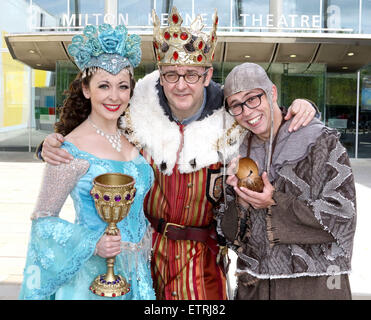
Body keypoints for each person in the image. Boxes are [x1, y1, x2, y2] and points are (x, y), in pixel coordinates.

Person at [38, 7, 317, 300]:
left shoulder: (233, 119)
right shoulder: (136, 112)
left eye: (192, 75)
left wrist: (302, 106)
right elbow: (94, 118)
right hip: (143, 258)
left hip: (203, 263)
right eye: (171, 75)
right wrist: (52, 142)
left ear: (207, 75)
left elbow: (266, 119)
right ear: (161, 75)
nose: (181, 85)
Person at [19, 23, 155, 300]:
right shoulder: (70, 149)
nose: (114, 96)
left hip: (138, 277)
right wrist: (94, 244)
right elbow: (43, 221)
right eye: (104, 85)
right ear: (86, 89)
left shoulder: (134, 138)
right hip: (93, 282)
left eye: (123, 86)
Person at [216, 62, 357, 300]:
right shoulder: (237, 153)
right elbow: (226, 231)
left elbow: (343, 216)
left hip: (315, 287)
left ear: (272, 92)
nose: (247, 112)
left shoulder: (320, 142)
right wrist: (241, 203)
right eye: (236, 106)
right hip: (255, 287)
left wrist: (274, 201)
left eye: (253, 99)